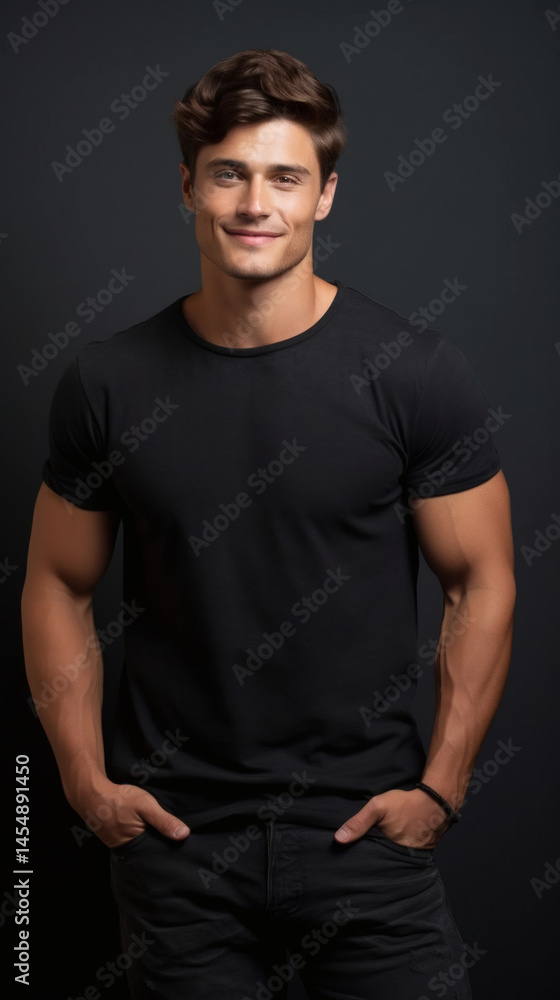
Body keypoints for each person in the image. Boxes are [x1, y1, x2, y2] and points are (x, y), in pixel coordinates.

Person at [21, 47, 515, 1000]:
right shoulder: (109, 383)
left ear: (326, 193)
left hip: (365, 843)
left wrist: (441, 787)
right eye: (229, 174)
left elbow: (481, 579)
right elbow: (58, 581)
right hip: (178, 853)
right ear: (188, 187)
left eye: (285, 175)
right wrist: (84, 782)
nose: (256, 202)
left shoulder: (414, 373)